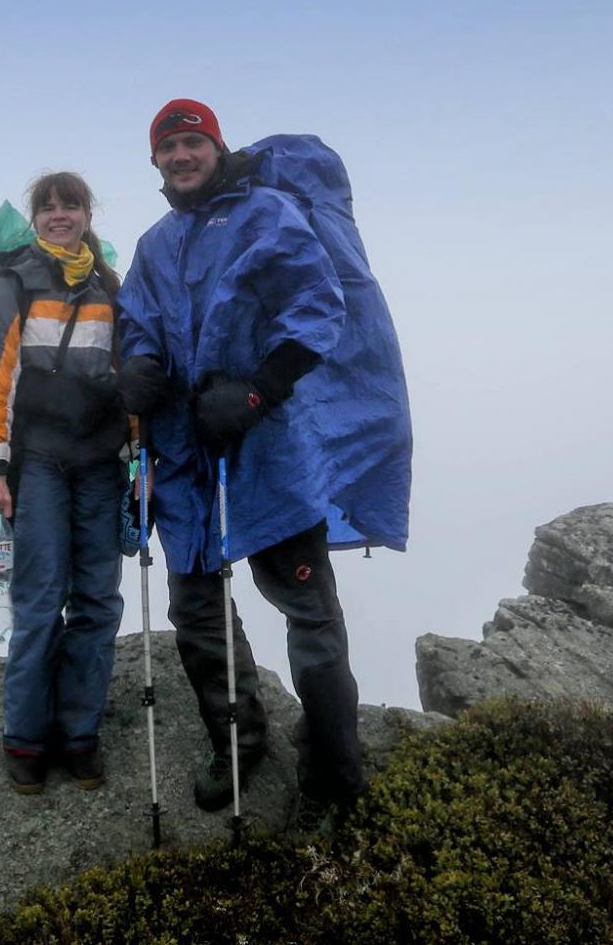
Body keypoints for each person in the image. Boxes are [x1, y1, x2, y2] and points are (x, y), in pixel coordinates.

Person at [117, 98, 402, 823]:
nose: (182, 155)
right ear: (155, 159)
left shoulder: (267, 213)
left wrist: (256, 394)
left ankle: (336, 772)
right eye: (169, 146)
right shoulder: (154, 245)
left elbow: (317, 305)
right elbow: (139, 325)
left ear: (215, 146)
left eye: (193, 142)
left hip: (267, 446)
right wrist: (139, 369)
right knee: (196, 610)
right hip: (185, 454)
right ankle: (240, 741)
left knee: (307, 610)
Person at [0, 172, 130, 795]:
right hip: (37, 466)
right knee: (39, 601)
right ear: (35, 219)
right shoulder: (15, 283)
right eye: (49, 206)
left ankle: (79, 734)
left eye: (72, 204)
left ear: (89, 214)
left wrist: (139, 462)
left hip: (99, 467)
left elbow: (130, 381)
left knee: (96, 602)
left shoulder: (109, 289)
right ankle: (26, 737)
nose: (60, 214)